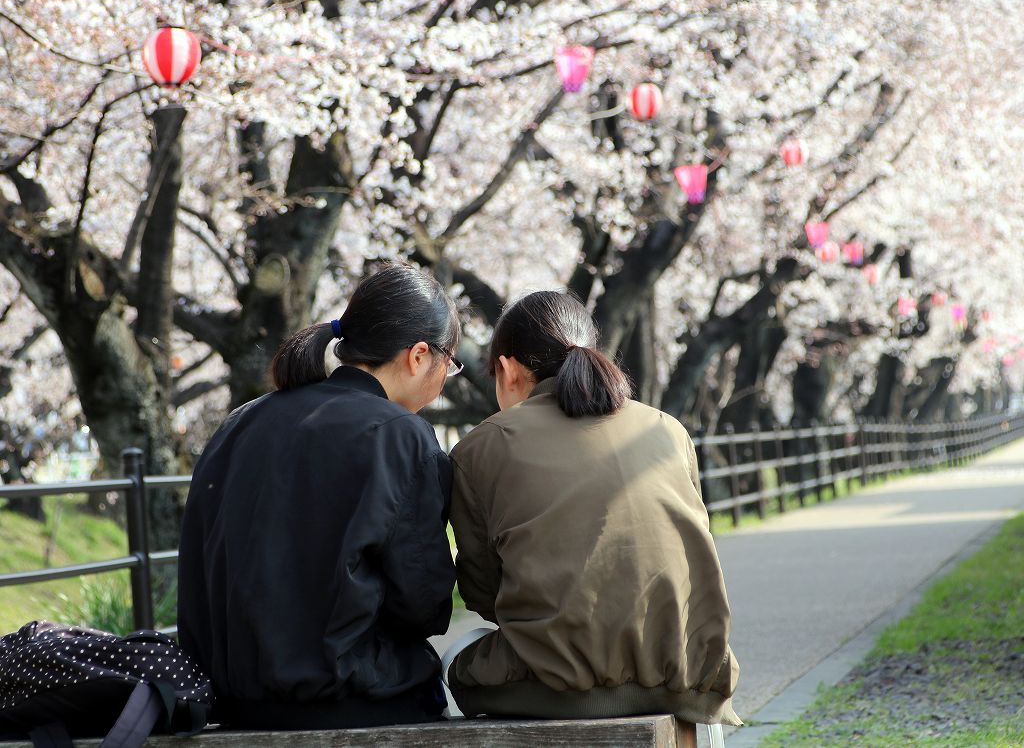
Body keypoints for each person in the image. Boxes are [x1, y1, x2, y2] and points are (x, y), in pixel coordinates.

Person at [177, 262, 462, 730]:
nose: (446, 376)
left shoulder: (240, 422)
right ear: (418, 356)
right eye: (448, 363)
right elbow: (424, 604)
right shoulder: (401, 436)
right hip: (353, 700)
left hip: (231, 704)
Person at [446, 291, 741, 727]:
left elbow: (484, 592)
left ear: (507, 370)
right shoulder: (667, 430)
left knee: (459, 654)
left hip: (553, 687)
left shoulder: (481, 447)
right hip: (688, 681)